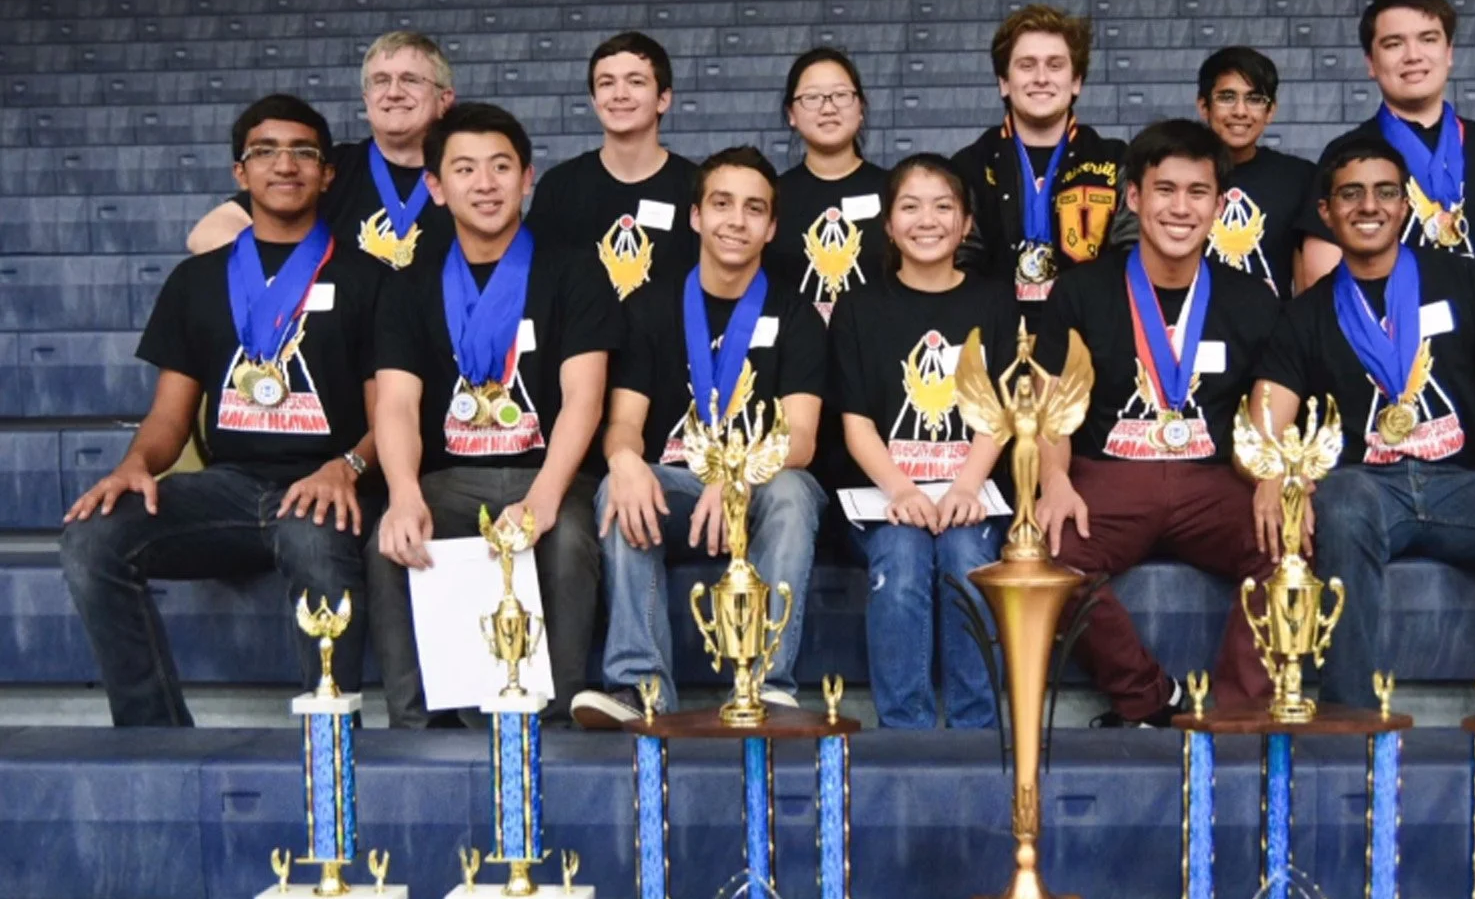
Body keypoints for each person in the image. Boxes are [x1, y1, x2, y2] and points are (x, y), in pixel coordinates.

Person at [63, 95, 384, 726]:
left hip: (331, 485)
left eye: (303, 152)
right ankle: (153, 732)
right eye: (264, 151)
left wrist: (346, 466)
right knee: (92, 537)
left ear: (327, 174)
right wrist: (135, 465)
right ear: (241, 174)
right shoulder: (197, 281)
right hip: (230, 489)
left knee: (310, 533)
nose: (284, 165)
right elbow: (169, 417)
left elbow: (392, 416)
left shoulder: (369, 278)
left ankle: (332, 739)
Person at [1255, 133, 1475, 707]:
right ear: (1326, 211)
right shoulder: (1305, 315)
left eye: (1386, 192)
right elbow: (1266, 416)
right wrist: (1269, 474)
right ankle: (1351, 714)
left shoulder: (1470, 283)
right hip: (1368, 489)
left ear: (1406, 205)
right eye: (1352, 194)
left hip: (1466, 486)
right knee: (1339, 504)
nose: (1369, 206)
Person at [367, 103, 621, 728]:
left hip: (552, 473)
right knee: (390, 544)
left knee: (566, 545)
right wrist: (402, 493)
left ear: (527, 177)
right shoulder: (408, 282)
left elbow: (584, 397)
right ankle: (415, 724)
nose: (485, 184)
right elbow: (396, 402)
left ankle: (553, 721)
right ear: (435, 186)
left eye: (501, 167)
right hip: (450, 483)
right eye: (465, 169)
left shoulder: (574, 268)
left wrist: (544, 497)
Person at [1032, 119, 1282, 727]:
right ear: (1134, 198)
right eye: (1164, 190)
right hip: (1109, 477)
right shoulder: (1081, 291)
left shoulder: (1253, 298)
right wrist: (1055, 481)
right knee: (1043, 555)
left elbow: (1267, 413)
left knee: (1290, 542)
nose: (1180, 207)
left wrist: (1275, 478)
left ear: (1219, 205)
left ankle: (1236, 710)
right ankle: (1149, 697)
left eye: (1197, 192)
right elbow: (1050, 407)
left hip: (1211, 479)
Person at [572, 147, 829, 727]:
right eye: (721, 204)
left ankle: (766, 685)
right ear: (695, 217)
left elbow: (804, 438)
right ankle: (641, 689)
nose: (736, 220)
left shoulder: (796, 314)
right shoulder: (650, 306)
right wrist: (623, 460)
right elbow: (623, 424)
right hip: (675, 485)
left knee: (793, 490)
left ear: (771, 228)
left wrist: (736, 476)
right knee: (618, 487)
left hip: (760, 485)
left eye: (753, 209)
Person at [831, 154, 1019, 729]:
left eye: (943, 206)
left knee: (966, 556)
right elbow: (856, 423)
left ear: (965, 223)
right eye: (909, 207)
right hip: (885, 494)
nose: (927, 220)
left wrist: (967, 483)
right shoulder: (860, 306)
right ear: (888, 224)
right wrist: (902, 489)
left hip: (973, 490)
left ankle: (976, 730)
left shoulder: (993, 300)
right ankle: (904, 732)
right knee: (903, 556)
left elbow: (1001, 410)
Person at [1294, 0, 1475, 287]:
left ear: (1449, 52)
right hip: (1387, 331)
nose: (1413, 56)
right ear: (1371, 64)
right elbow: (1319, 273)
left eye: (1428, 39)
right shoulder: (1346, 153)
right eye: (1393, 44)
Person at [188, 32, 457, 266]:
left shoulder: (469, 171)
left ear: (444, 99)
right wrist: (300, 273)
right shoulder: (327, 167)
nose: (394, 92)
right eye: (381, 80)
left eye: (410, 80)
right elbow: (208, 233)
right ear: (367, 99)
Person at [952, 4, 1134, 312]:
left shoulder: (1116, 160)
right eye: (1026, 65)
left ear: (1076, 81)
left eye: (1055, 65)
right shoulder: (970, 166)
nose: (1041, 78)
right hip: (997, 337)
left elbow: (1131, 256)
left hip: (1091, 335)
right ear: (1004, 83)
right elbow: (961, 263)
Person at [525, 32, 701, 302]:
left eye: (636, 81)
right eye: (606, 83)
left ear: (663, 99)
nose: (620, 94)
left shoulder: (696, 186)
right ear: (594, 100)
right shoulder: (559, 186)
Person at [767, 47, 890, 324]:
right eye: (811, 97)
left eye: (841, 95)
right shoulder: (771, 196)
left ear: (860, 109)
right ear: (791, 114)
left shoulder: (895, 191)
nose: (828, 107)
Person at [1194, 46, 1317, 299]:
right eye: (1227, 97)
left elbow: (1306, 283)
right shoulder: (1179, 176)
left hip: (1273, 334)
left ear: (1270, 111)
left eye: (1254, 99)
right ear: (1204, 107)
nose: (1240, 111)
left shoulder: (1299, 177)